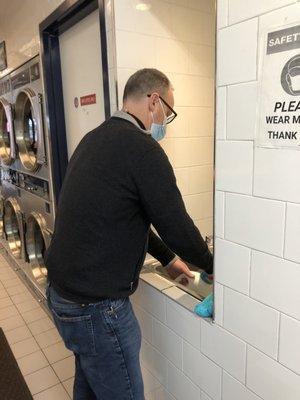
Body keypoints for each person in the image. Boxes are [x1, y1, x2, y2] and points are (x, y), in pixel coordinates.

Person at [45, 68, 213, 400]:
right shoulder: (143, 149)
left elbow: (127, 214)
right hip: (95, 309)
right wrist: (213, 266)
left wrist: (168, 259)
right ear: (154, 101)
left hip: (62, 295)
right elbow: (176, 226)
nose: (166, 121)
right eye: (169, 111)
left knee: (90, 384)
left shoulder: (95, 138)